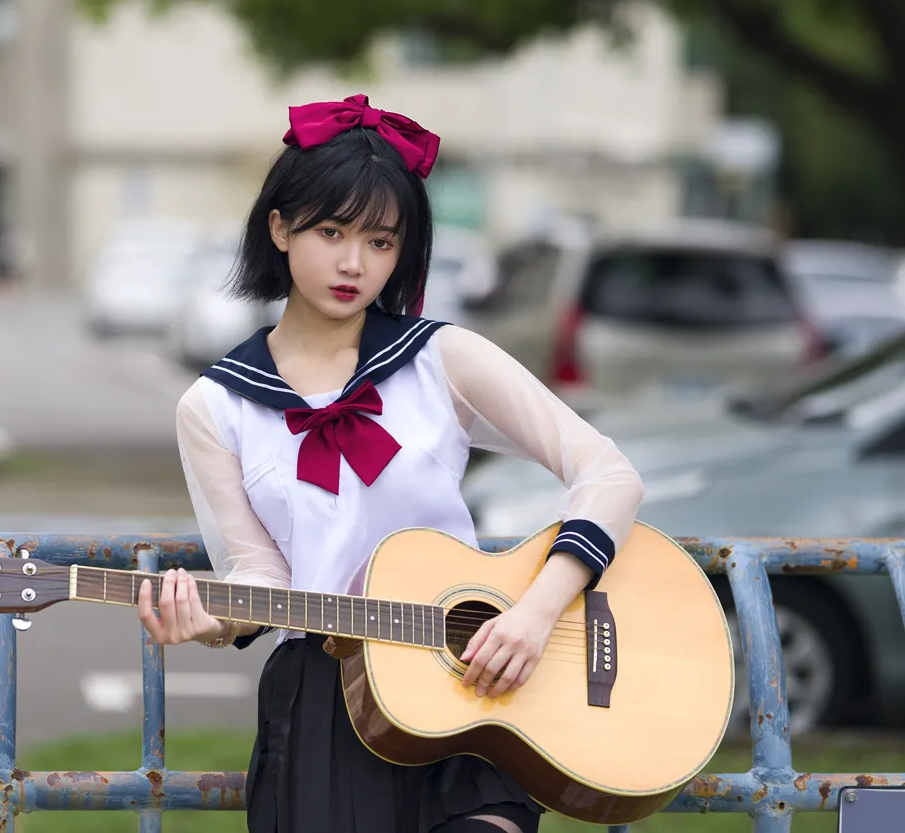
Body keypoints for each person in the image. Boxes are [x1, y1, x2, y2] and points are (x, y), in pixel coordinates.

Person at [134, 94, 645, 833]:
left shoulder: (443, 359)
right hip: (323, 704)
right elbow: (261, 578)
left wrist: (536, 615)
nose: (354, 263)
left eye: (380, 241)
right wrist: (206, 621)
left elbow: (609, 473)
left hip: (469, 683)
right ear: (279, 228)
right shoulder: (216, 407)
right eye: (331, 232)